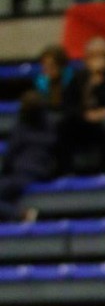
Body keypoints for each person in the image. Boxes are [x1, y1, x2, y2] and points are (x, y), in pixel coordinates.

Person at [58, 36, 105, 176]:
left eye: (101, 55)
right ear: (86, 59)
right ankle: (66, 172)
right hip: (87, 120)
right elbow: (68, 104)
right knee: (63, 124)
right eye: (93, 56)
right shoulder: (79, 77)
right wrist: (85, 114)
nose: (97, 60)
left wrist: (100, 86)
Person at [0, 91, 57, 221]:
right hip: (43, 172)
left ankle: (21, 215)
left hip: (22, 173)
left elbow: (10, 156)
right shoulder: (51, 126)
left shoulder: (21, 128)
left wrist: (4, 173)